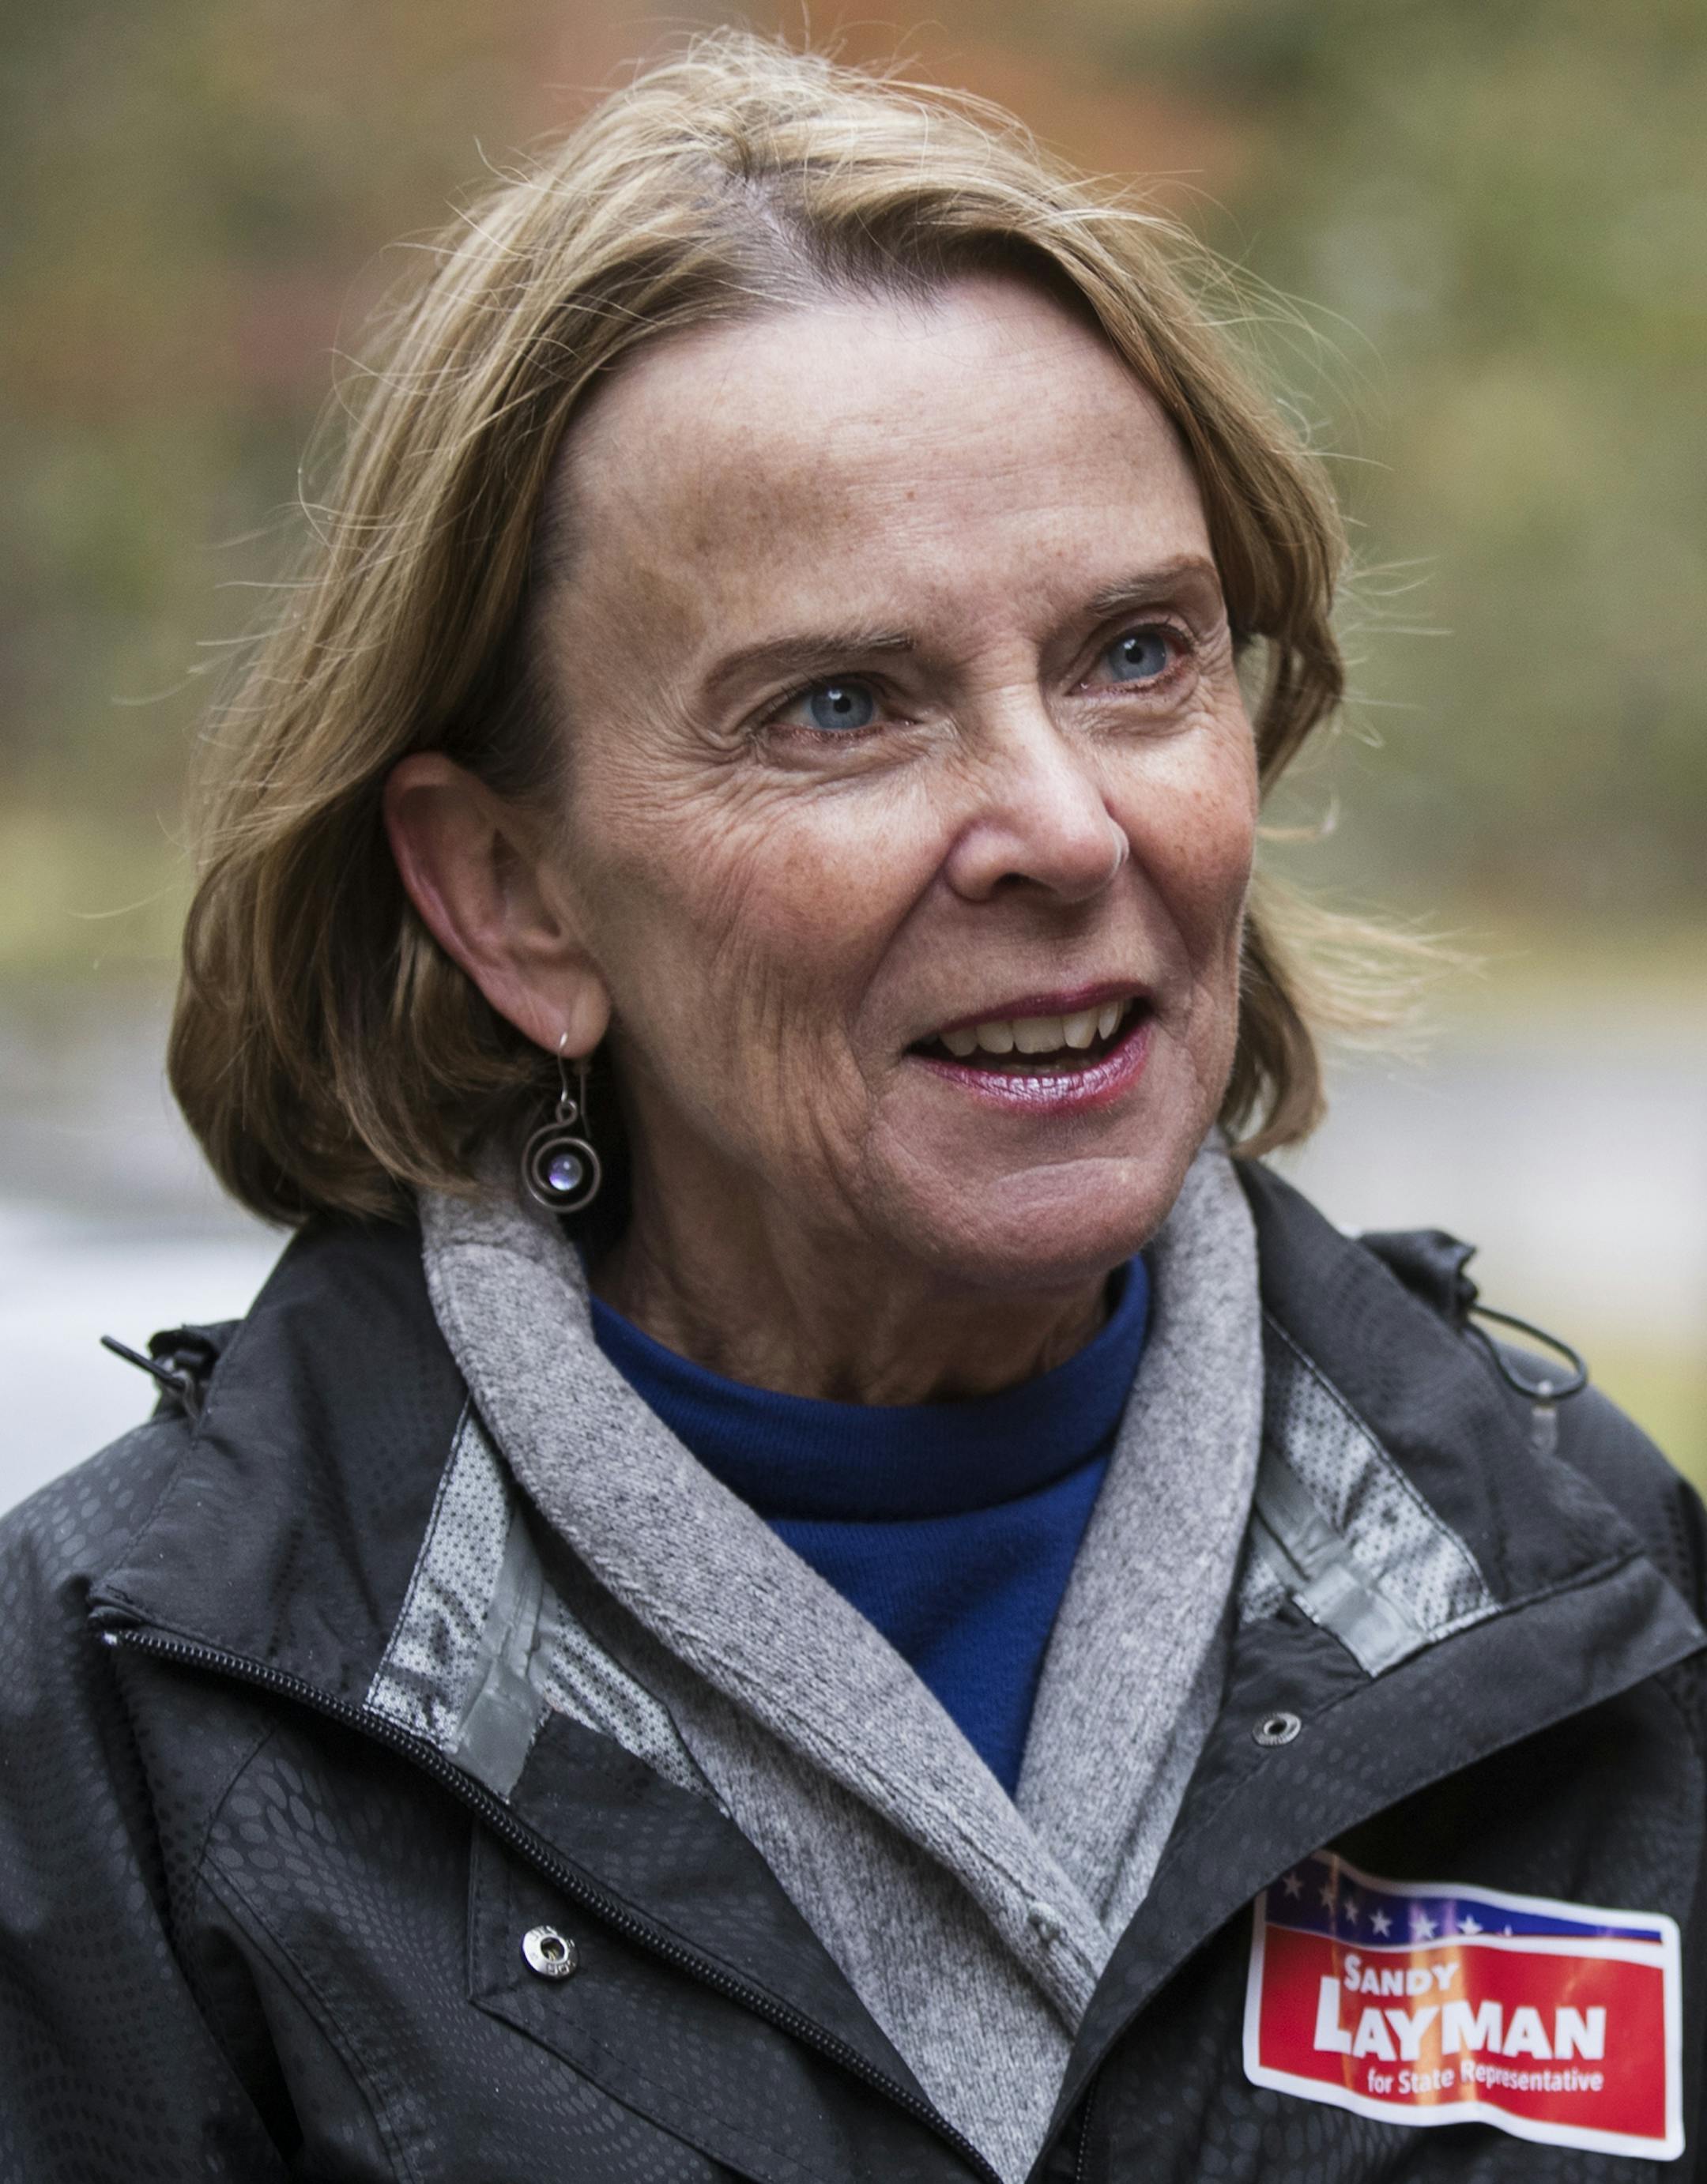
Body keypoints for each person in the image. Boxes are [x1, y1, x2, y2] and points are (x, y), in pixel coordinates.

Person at [1, 34, 1701, 2183]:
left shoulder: (1577, 1590)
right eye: (839, 705)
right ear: (517, 897)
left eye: (1135, 655)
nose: (1062, 824)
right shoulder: (154, 1728)